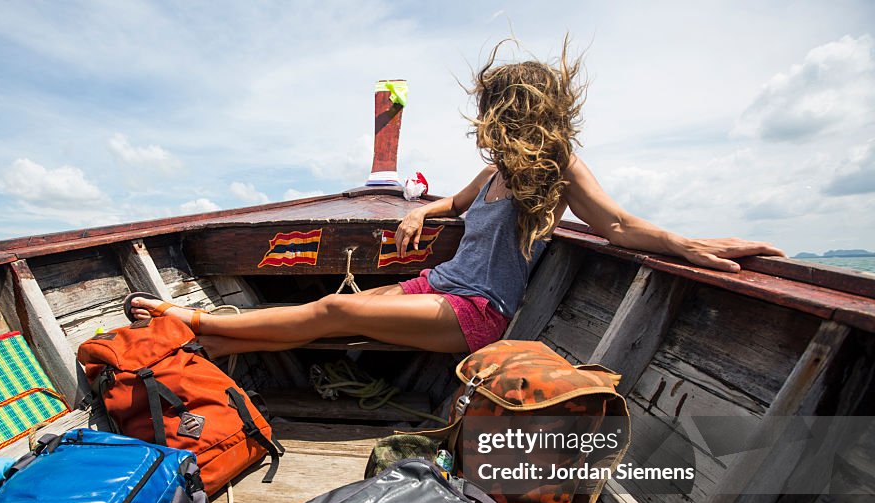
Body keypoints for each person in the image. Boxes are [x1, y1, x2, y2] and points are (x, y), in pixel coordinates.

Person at [130, 41, 784, 357]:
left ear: (514, 109)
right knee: (344, 307)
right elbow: (454, 203)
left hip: (475, 311)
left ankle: (192, 324)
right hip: (438, 282)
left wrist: (692, 245)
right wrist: (420, 210)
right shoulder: (496, 168)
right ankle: (211, 342)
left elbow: (616, 224)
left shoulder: (556, 168)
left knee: (334, 307)